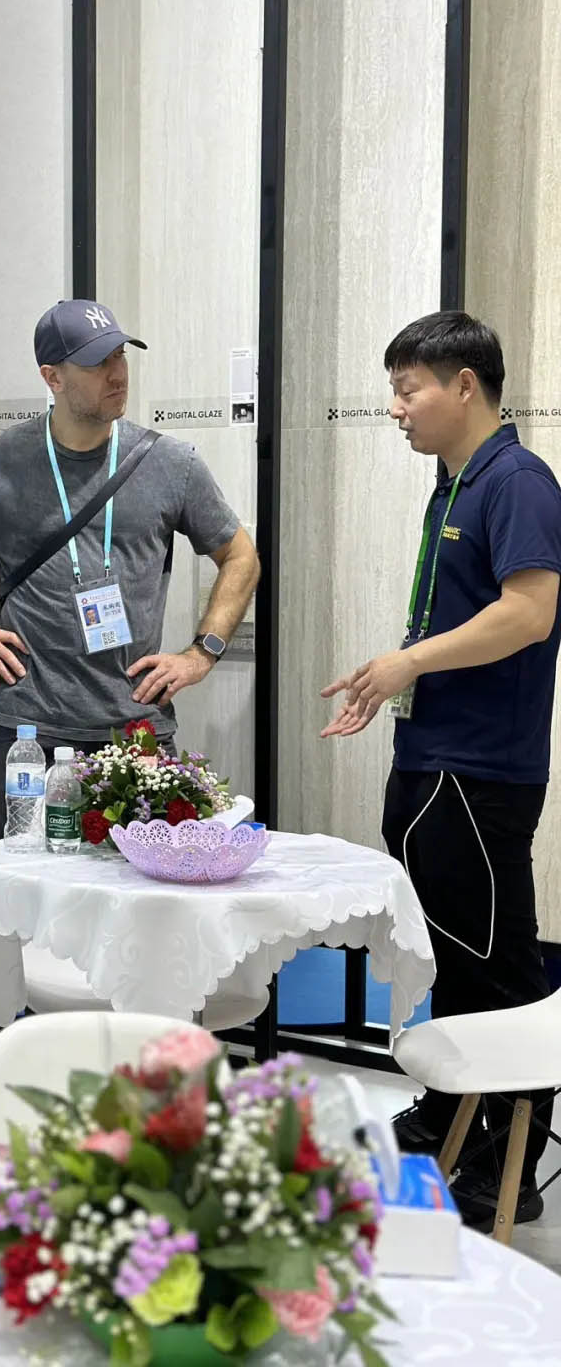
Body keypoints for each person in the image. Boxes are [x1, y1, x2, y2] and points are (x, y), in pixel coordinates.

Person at [321, 311, 561, 1229]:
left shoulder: (518, 482)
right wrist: (394, 677)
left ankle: (507, 1164)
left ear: (465, 386)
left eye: (408, 388)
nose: (395, 408)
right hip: (434, 759)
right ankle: (450, 1112)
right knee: (455, 954)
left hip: (481, 769)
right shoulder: (454, 484)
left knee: (497, 966)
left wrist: (408, 662)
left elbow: (529, 612)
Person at [0, 298, 259, 834]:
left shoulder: (171, 463)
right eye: (97, 362)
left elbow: (240, 555)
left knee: (139, 880)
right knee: (32, 880)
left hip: (135, 727)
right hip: (27, 730)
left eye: (121, 356)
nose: (117, 374)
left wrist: (203, 653)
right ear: (52, 377)